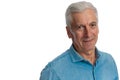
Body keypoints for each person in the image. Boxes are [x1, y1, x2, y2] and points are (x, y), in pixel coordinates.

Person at [40, 1, 119, 80]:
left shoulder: (109, 61)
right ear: (69, 32)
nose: (88, 34)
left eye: (92, 25)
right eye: (80, 27)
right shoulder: (53, 72)